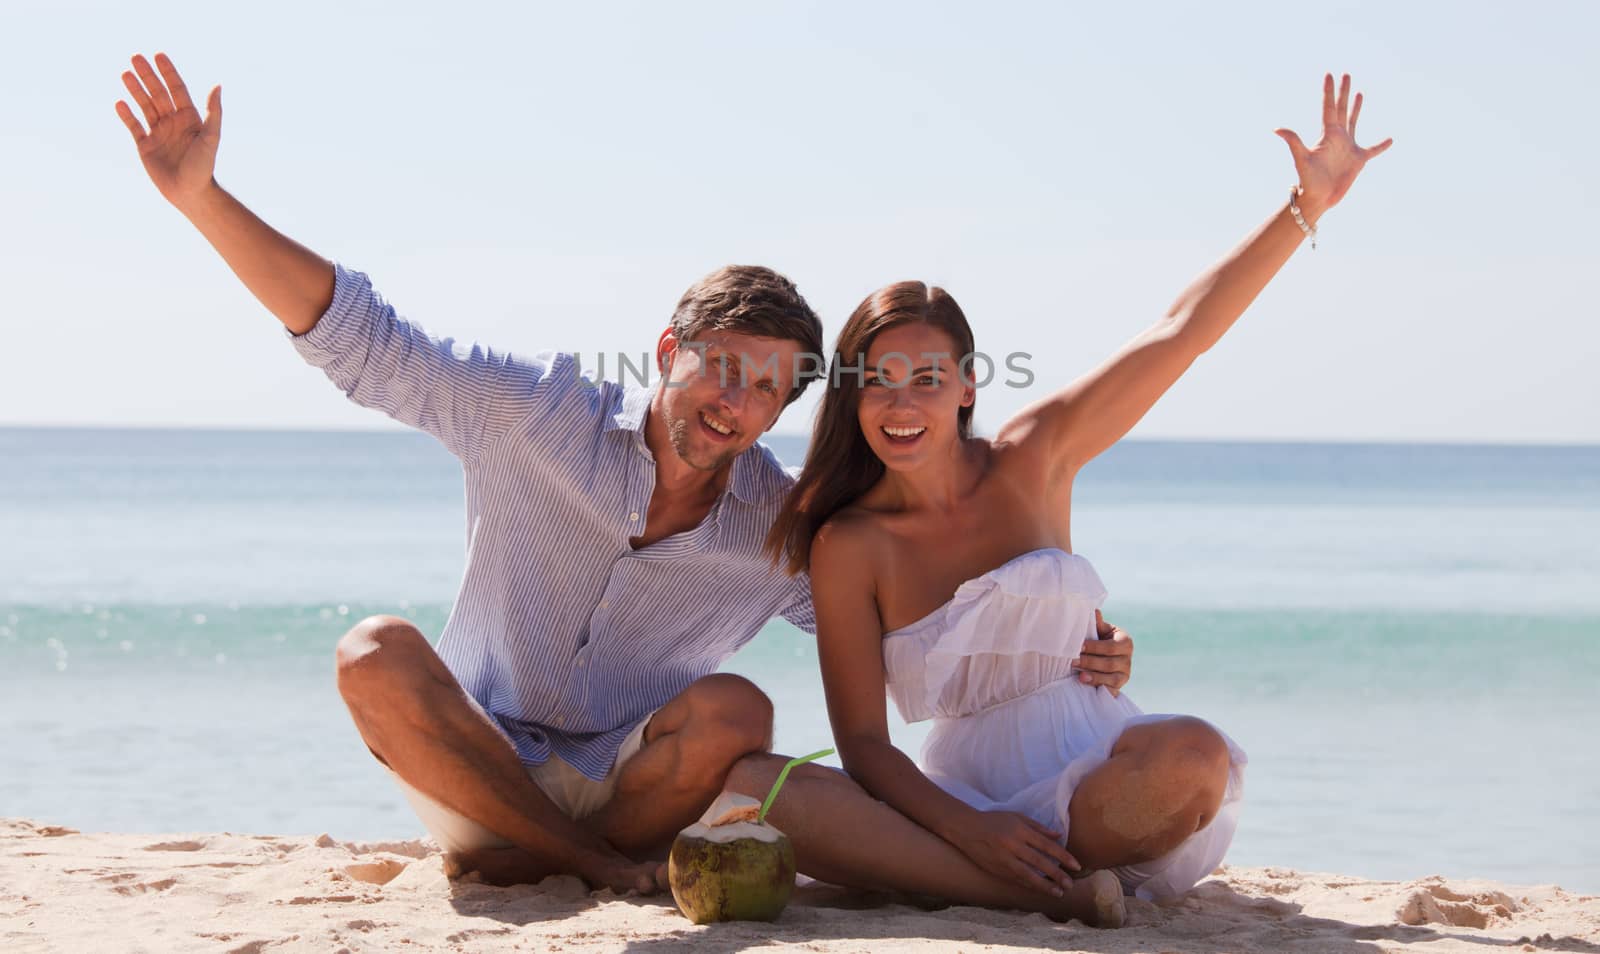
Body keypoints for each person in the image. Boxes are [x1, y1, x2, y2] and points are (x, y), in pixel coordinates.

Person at [113, 52, 1136, 921]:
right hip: (476, 767)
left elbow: (909, 618)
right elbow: (364, 340)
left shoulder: (775, 524)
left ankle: (555, 857)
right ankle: (570, 861)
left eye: (767, 392)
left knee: (737, 705)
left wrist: (1061, 633)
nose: (734, 405)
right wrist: (202, 197)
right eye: (722, 368)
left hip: (629, 790)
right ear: (667, 349)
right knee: (372, 649)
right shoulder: (532, 414)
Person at [736, 74, 1392, 907]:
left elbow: (1178, 335)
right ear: (852, 393)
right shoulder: (848, 543)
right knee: (771, 790)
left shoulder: (1036, 457)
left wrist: (1306, 206)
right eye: (879, 382)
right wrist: (968, 826)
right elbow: (864, 745)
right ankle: (1030, 886)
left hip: (1100, 783)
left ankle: (1023, 879)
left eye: (928, 379)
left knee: (1194, 754)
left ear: (968, 387)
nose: (903, 405)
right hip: (959, 799)